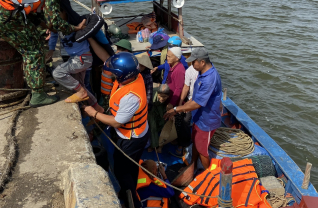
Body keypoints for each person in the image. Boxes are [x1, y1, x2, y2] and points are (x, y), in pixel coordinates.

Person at [84, 53, 149, 208]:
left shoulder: (130, 97)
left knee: (121, 171)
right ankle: (130, 190)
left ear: (122, 74)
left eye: (113, 72)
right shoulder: (132, 78)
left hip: (132, 138)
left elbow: (117, 122)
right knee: (130, 168)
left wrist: (94, 114)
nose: (110, 74)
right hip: (135, 132)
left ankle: (133, 201)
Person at [164, 47, 222, 170]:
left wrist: (176, 109)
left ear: (202, 62)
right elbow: (195, 97)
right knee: (195, 143)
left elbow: (197, 103)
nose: (191, 64)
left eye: (193, 62)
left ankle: (208, 177)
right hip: (198, 118)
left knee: (202, 151)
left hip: (207, 122)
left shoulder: (209, 79)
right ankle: (193, 166)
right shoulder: (202, 73)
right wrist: (183, 107)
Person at [147, 84, 170, 153]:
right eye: (160, 96)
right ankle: (153, 145)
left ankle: (160, 145)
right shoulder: (152, 93)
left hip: (163, 110)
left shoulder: (170, 99)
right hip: (152, 110)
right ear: (157, 93)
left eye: (165, 97)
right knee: (153, 127)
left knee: (163, 126)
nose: (162, 98)